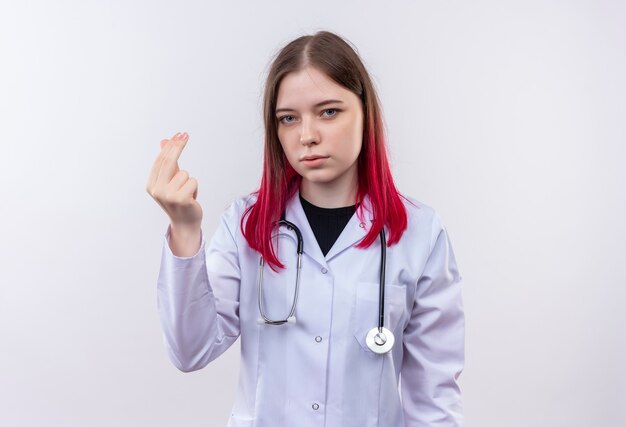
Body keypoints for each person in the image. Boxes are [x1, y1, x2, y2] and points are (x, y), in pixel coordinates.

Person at [146, 30, 464, 427]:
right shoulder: (246, 226)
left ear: (366, 112)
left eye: (329, 111)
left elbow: (434, 402)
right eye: (288, 118)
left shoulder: (420, 234)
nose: (307, 136)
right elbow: (190, 351)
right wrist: (184, 228)